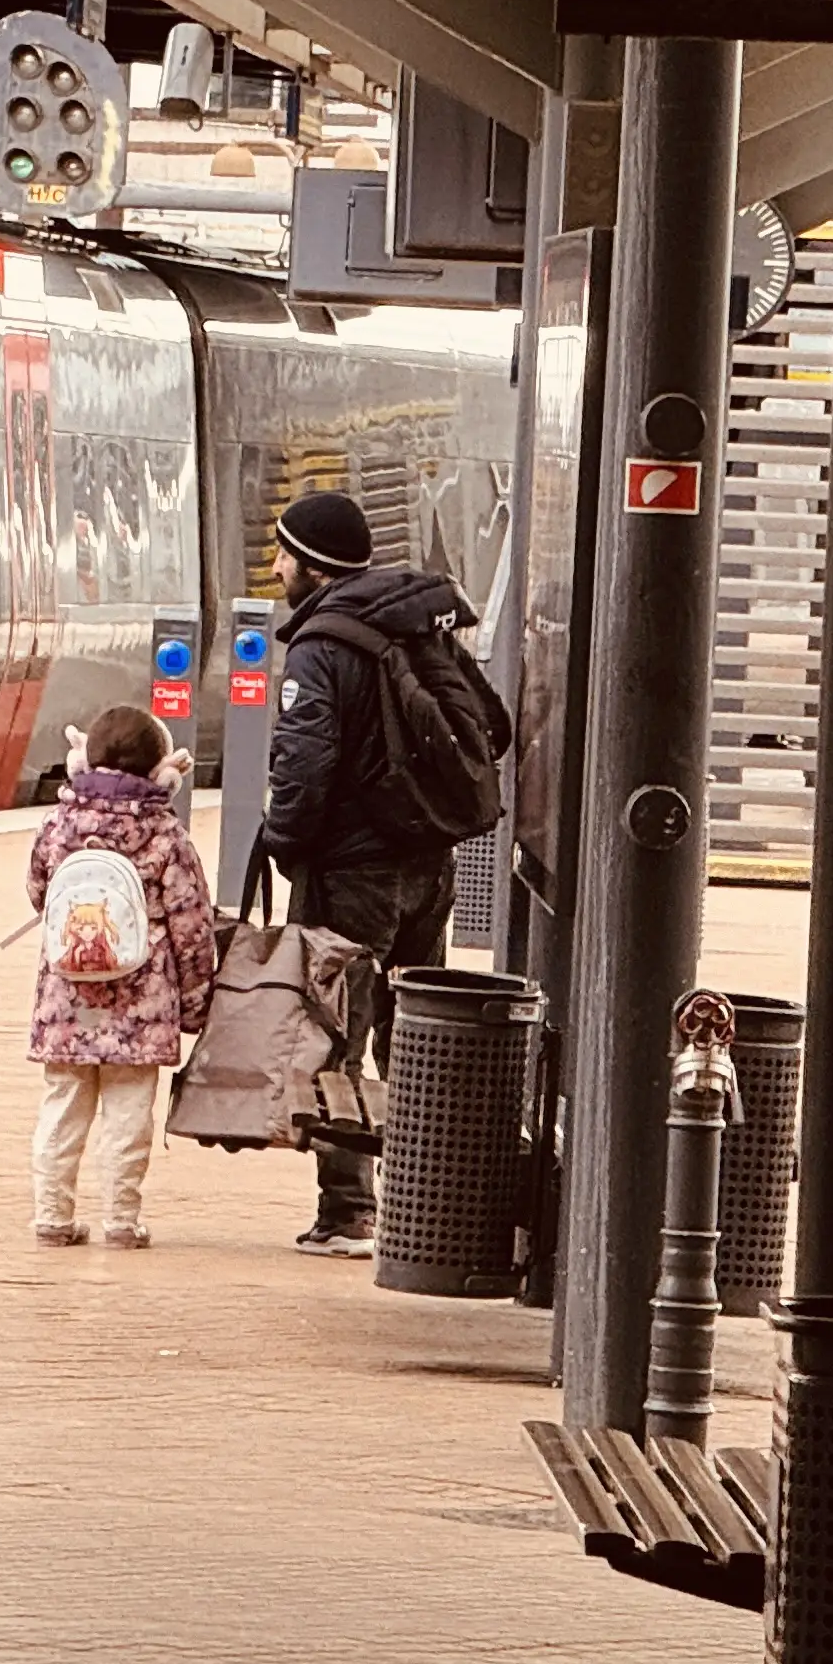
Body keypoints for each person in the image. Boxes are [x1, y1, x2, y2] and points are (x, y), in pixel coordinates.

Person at [256, 485, 484, 1258]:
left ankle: (349, 1210)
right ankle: (424, 1204)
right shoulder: (416, 623)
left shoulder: (322, 646)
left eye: (285, 552)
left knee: (336, 1035)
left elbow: (304, 766)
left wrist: (286, 843)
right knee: (416, 1033)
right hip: (428, 861)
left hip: (352, 871)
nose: (277, 564)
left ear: (313, 566)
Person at [24, 703, 218, 1250]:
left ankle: (52, 1216)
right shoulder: (165, 834)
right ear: (159, 770)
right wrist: (198, 1004)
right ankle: (121, 1220)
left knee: (62, 1105)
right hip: (143, 1000)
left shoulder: (58, 825)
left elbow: (41, 896)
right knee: (129, 1112)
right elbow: (192, 927)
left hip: (66, 995)